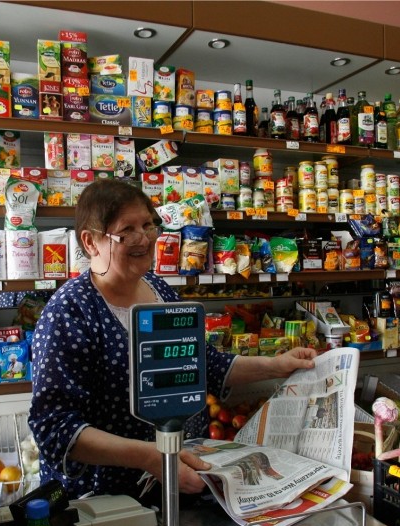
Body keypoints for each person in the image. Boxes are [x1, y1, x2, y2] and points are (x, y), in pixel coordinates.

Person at [29, 179, 316, 502]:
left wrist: (276, 366)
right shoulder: (70, 312)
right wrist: (153, 458)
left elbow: (203, 364)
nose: (144, 239)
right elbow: (54, 428)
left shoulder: (160, 290)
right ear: (91, 242)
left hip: (181, 483)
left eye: (148, 225)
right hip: (110, 506)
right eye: (127, 231)